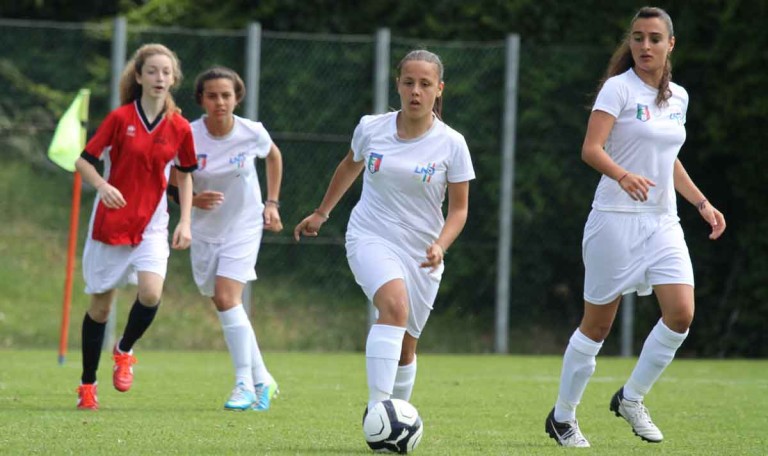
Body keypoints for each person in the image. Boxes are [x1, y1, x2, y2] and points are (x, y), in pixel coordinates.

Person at [545, 7, 726, 447]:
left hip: (663, 221)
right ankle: (563, 417)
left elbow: (668, 159)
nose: (645, 46)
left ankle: (631, 397)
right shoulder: (618, 89)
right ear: (631, 43)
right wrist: (622, 175)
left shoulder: (678, 97)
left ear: (670, 45)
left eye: (654, 38)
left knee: (681, 315)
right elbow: (591, 149)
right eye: (638, 37)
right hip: (615, 220)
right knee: (596, 327)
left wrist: (701, 202)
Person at [293, 50, 475, 421]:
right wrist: (322, 213)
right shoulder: (371, 128)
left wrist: (440, 245)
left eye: (425, 84)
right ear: (398, 85)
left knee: (406, 349)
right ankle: (378, 411)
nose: (416, 91)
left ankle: (396, 419)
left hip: (422, 252)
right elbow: (350, 166)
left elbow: (459, 210)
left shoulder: (452, 143)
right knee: (394, 308)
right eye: (409, 82)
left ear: (439, 89)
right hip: (370, 234)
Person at [74, 43, 197, 410]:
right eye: (152, 71)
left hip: (152, 225)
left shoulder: (180, 127)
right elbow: (84, 162)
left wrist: (186, 221)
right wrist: (102, 185)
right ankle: (87, 384)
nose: (160, 77)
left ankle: (124, 350)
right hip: (111, 223)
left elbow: (185, 175)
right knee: (101, 308)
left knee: (151, 294)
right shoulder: (120, 119)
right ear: (139, 77)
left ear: (174, 79)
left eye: (166, 72)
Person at [168, 66, 283, 411]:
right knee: (223, 302)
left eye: (226, 95)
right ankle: (264, 379)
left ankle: (243, 384)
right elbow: (172, 180)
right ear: (201, 100)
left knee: (226, 296)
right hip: (205, 228)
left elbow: (273, 156)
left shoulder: (252, 132)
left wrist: (272, 204)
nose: (220, 102)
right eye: (212, 96)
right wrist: (191, 201)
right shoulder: (188, 135)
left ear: (237, 98)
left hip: (244, 224)